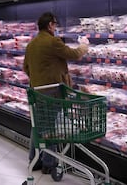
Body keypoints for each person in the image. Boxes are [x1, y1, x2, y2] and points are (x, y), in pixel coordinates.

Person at [23, 12, 89, 174]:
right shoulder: (52, 42)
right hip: (52, 92)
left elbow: (25, 67)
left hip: (36, 91)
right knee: (50, 128)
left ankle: (34, 160)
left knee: (37, 126)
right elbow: (73, 55)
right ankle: (48, 163)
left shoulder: (31, 44)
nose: (56, 27)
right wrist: (84, 46)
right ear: (50, 25)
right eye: (55, 24)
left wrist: (38, 79)